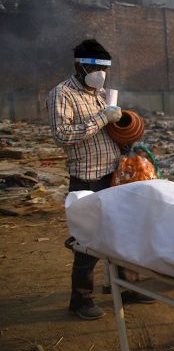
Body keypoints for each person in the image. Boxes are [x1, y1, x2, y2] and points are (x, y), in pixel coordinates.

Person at [47, 39, 153, 320]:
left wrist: (122, 127)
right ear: (79, 66)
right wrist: (102, 120)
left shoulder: (102, 93)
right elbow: (63, 135)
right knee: (88, 240)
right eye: (95, 68)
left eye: (105, 69)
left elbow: (113, 129)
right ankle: (80, 300)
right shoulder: (62, 94)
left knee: (121, 233)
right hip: (86, 178)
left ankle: (126, 287)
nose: (101, 74)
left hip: (113, 173)